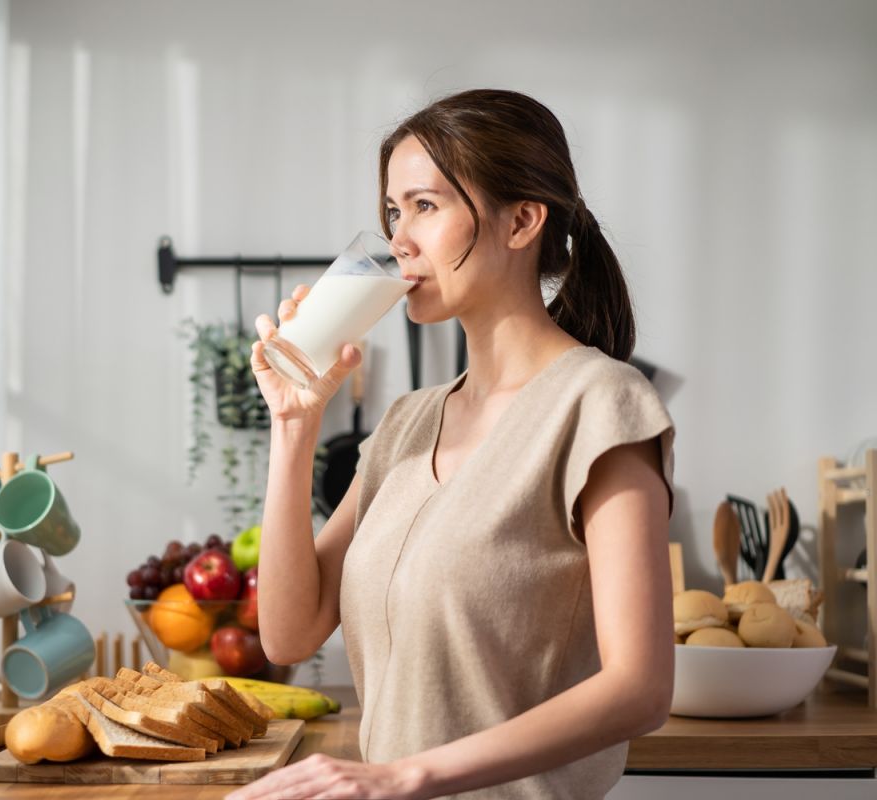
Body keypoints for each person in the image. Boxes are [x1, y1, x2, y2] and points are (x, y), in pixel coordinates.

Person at [226, 89, 676, 800]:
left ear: (523, 220)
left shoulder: (601, 405)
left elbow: (641, 688)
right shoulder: (406, 423)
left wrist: (404, 775)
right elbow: (288, 634)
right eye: (393, 213)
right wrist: (294, 426)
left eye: (425, 207)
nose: (399, 238)